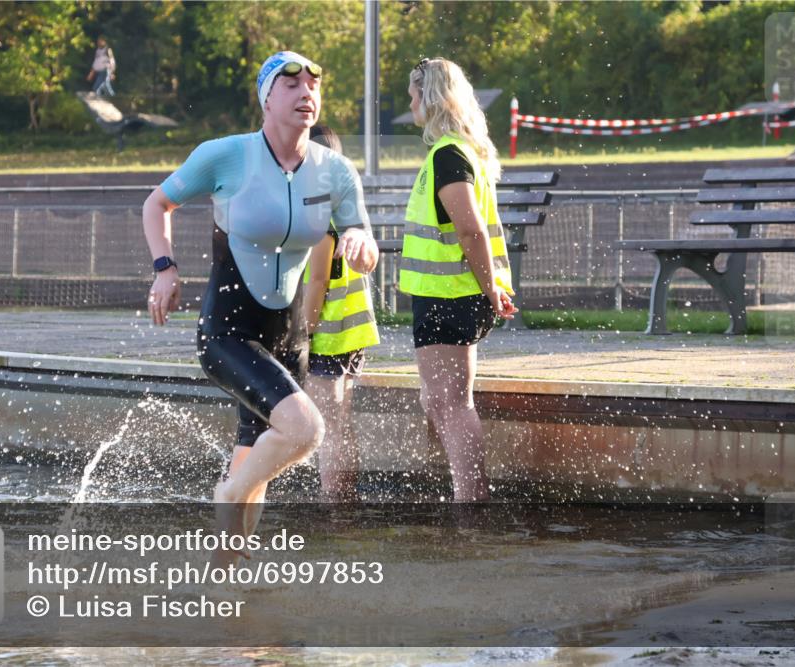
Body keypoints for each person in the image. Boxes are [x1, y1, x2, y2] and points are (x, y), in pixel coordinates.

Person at [142, 52, 378, 522]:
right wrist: (165, 267)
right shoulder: (226, 155)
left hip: (290, 337)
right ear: (266, 99)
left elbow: (363, 236)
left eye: (313, 84)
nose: (305, 92)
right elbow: (157, 203)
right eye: (290, 85)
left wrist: (358, 240)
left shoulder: (335, 170)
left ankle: (228, 575)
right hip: (229, 332)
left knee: (258, 455)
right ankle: (228, 494)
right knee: (305, 431)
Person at [400, 57, 518, 502]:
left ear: (428, 98)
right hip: (447, 295)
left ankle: (471, 496)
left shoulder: (449, 155)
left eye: (413, 96)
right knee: (441, 402)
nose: (410, 104)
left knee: (451, 403)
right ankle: (469, 491)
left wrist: (490, 289)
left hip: (450, 294)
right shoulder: (458, 151)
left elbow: (469, 228)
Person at [302, 125, 381, 501]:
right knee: (340, 422)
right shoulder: (345, 210)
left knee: (328, 426)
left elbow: (317, 282)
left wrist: (304, 330)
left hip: (328, 333)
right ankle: (344, 498)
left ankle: (333, 500)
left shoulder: (319, 217)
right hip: (352, 333)